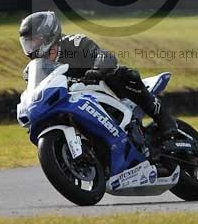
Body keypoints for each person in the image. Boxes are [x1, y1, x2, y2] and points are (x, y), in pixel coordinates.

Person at [19, 11, 178, 137]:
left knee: (124, 75)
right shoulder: (32, 70)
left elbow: (102, 56)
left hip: (102, 91)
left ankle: (163, 118)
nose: (31, 46)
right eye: (28, 42)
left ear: (48, 34)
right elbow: (35, 92)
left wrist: (97, 70)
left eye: (34, 40)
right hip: (70, 103)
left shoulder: (75, 43)